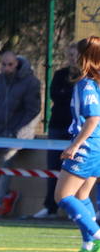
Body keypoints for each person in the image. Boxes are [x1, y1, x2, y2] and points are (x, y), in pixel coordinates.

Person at [0, 51, 41, 217]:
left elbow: (33, 111)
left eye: (9, 65)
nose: (5, 68)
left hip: (18, 134)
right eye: (3, 64)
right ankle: (7, 194)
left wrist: (18, 132)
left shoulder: (30, 82)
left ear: (17, 64)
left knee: (7, 160)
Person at [53, 37, 100, 252]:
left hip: (89, 146)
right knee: (82, 195)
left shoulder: (87, 84)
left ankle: (96, 234)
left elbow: (92, 119)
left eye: (77, 54)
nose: (73, 58)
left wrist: (75, 145)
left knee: (63, 195)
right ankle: (89, 246)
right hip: (97, 145)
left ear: (86, 57)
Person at [32, 44, 80, 218]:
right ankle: (50, 207)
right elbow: (55, 96)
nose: (74, 58)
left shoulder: (87, 78)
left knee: (75, 170)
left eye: (77, 55)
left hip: (76, 129)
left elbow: (78, 102)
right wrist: (68, 96)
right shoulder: (60, 75)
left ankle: (73, 209)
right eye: (71, 55)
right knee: (53, 167)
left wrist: (68, 97)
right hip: (57, 125)